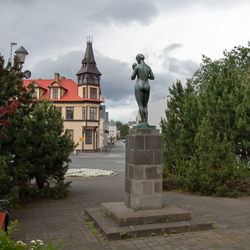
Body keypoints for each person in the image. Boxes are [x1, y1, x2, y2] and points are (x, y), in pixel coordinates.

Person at [131, 54, 154, 125]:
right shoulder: (148, 67)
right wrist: (146, 76)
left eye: (137, 59)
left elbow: (132, 77)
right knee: (145, 106)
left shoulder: (137, 67)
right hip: (147, 85)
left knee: (140, 105)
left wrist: (134, 69)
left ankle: (143, 122)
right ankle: (146, 122)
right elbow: (152, 77)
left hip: (139, 85)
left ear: (138, 59)